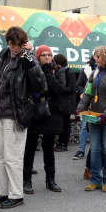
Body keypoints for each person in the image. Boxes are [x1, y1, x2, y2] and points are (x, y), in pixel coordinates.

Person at [0, 27, 46, 208]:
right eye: (12, 44)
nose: (15, 48)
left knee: (13, 157)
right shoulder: (3, 54)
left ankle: (16, 194)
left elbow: (41, 84)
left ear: (24, 43)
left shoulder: (27, 58)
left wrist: (31, 62)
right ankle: (4, 191)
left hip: (16, 114)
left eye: (19, 44)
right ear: (8, 42)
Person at [76, 46, 106, 193]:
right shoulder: (95, 72)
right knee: (95, 149)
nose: (95, 59)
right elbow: (88, 93)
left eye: (98, 56)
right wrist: (79, 108)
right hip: (94, 116)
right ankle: (95, 180)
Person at [22, 45, 65, 194]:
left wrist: (47, 72)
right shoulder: (30, 70)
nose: (47, 57)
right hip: (34, 112)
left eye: (49, 55)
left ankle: (50, 180)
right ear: (38, 57)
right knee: (30, 147)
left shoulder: (57, 71)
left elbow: (58, 90)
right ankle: (26, 180)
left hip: (50, 113)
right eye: (43, 55)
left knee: (48, 148)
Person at [72, 53, 97, 160]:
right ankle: (81, 150)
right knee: (84, 127)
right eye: (96, 55)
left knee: (96, 129)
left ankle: (95, 152)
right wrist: (83, 93)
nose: (98, 57)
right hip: (87, 102)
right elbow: (78, 84)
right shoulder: (86, 69)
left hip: (100, 103)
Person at [53, 53, 75, 153]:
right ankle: (60, 142)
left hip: (66, 102)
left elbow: (71, 88)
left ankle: (64, 143)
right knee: (61, 123)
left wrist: (60, 89)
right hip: (61, 101)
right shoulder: (58, 71)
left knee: (66, 123)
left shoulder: (69, 72)